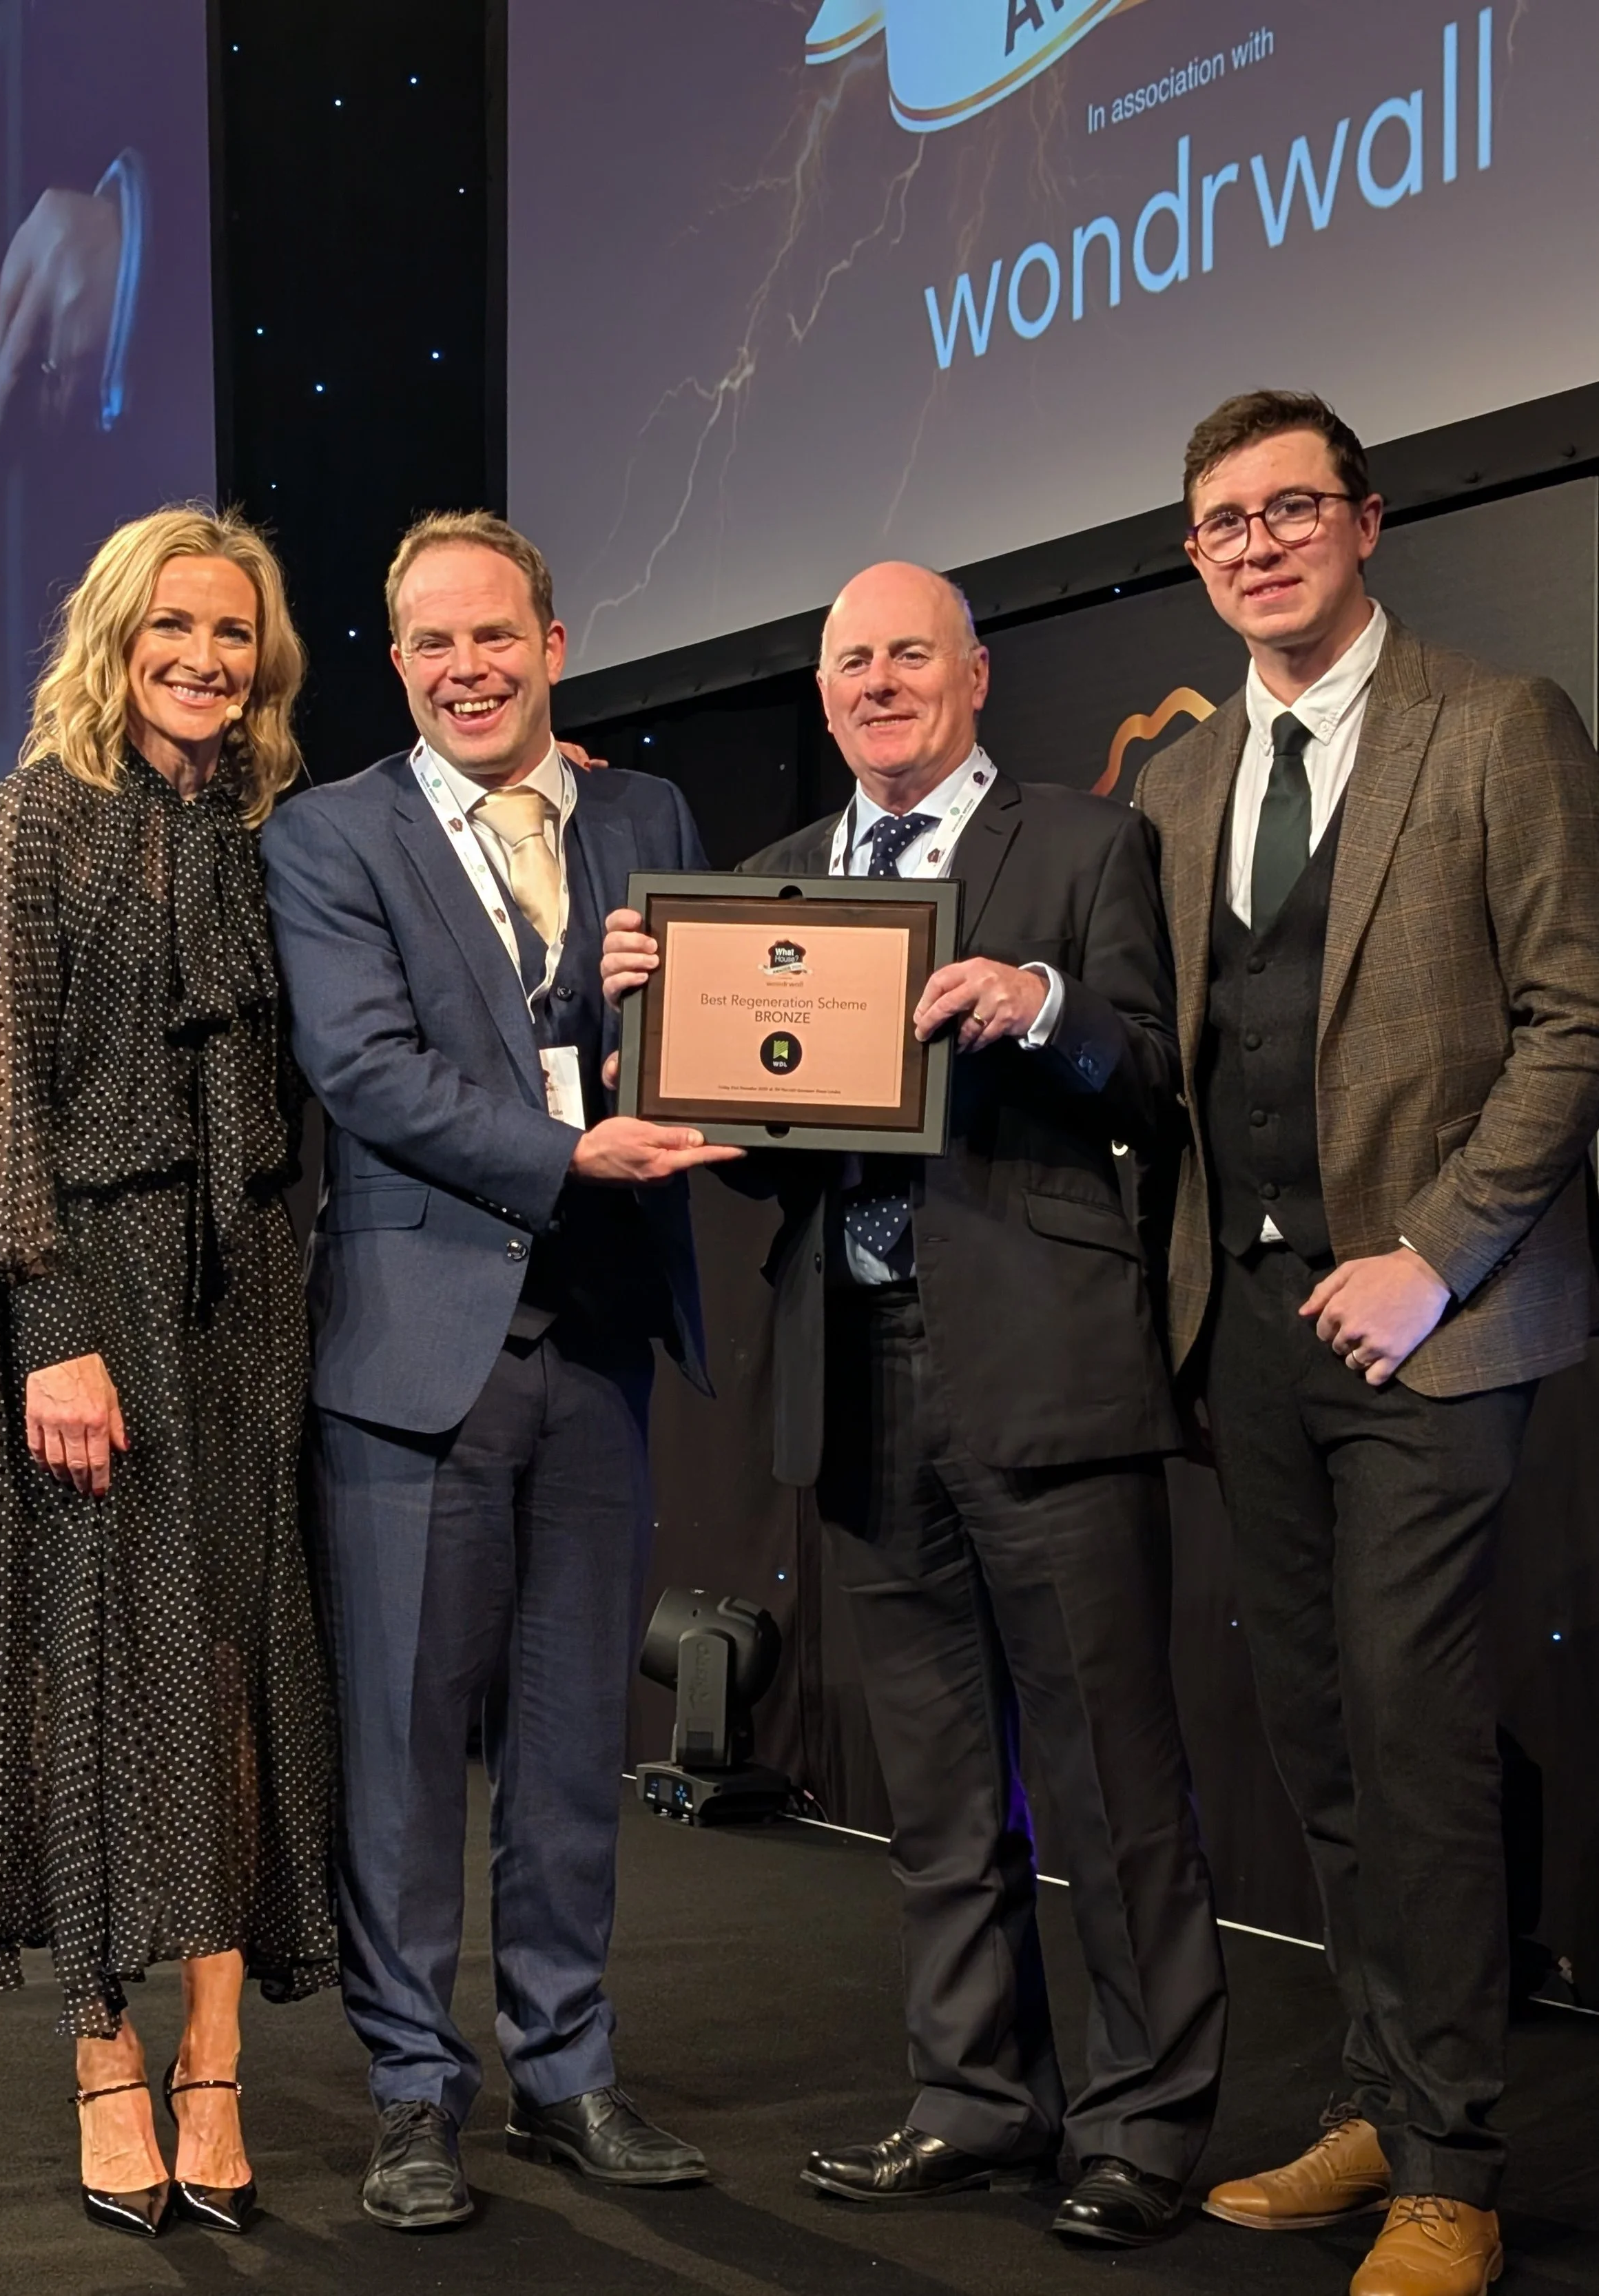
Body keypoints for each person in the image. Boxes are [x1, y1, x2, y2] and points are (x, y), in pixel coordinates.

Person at [603, 560, 1228, 2249]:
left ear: (972, 675)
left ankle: (1143, 2122)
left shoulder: (1082, 845)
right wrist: (659, 1050)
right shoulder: (774, 885)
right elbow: (757, 1167)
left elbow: (1156, 1076)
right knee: (941, 1783)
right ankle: (974, 2100)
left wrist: (1037, 1006)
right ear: (820, 700)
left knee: (1104, 1771)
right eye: (847, 661)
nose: (876, 681)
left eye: (906, 653)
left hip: (1044, 1362)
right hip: (856, 1364)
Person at [1133, 391, 1599, 2296]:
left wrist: (1431, 1251)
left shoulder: (1492, 725)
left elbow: (1572, 1022)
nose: (1257, 542)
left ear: (1366, 522)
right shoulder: (1174, 784)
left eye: (1289, 508)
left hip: (1432, 1326)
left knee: (1409, 1731)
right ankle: (1378, 2096)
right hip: (1238, 1323)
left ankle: (1451, 2168)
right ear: (1192, 557)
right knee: (1316, 1728)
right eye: (1223, 522)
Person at [262, 510, 740, 2233]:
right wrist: (574, 1151)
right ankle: (411, 2091)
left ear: (553, 640)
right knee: (401, 1750)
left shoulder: (644, 815)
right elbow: (366, 1073)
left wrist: (643, 1048)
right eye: (431, 644)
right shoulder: (327, 838)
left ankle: (564, 2069)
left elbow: (678, 1037)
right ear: (397, 664)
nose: (466, 667)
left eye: (495, 635)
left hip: (599, 1345)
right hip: (414, 1360)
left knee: (563, 1748)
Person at [0, 506, 339, 2240]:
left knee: (235, 1674)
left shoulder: (266, 833)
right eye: (174, 624)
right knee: (90, 1677)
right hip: (83, 1299)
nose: (204, 656)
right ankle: (105, 2063)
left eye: (233, 631)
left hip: (242, 1308)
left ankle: (219, 2062)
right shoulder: (35, 817)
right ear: (114, 633)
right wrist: (48, 1327)